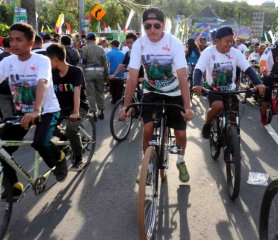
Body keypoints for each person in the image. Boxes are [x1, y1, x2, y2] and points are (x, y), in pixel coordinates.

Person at [119, 8, 193, 183]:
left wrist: (188, 107)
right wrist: (126, 105)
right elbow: (132, 76)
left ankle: (181, 161)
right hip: (151, 92)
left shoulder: (174, 43)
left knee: (181, 134)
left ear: (164, 25)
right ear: (143, 26)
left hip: (174, 93)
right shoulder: (139, 44)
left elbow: (182, 76)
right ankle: (149, 167)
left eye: (156, 26)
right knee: (147, 129)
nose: (152, 30)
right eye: (147, 26)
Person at [0, 23, 68, 199]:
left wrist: (37, 110)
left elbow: (42, 83)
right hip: (23, 113)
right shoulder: (8, 62)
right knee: (2, 148)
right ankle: (14, 185)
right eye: (11, 39)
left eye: (19, 40)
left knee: (39, 142)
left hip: (47, 111)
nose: (14, 43)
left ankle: (59, 158)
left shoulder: (42, 60)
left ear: (31, 42)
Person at [192, 27, 265, 138]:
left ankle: (233, 141)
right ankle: (207, 124)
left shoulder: (235, 53)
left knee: (232, 117)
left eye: (232, 41)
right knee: (218, 106)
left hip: (231, 89)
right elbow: (198, 69)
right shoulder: (208, 52)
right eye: (227, 41)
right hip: (214, 90)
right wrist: (196, 84)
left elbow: (248, 68)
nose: (230, 44)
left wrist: (258, 83)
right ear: (217, 41)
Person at [46, 44, 90, 171]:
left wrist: (76, 111)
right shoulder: (51, 73)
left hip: (79, 105)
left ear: (54, 59)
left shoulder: (76, 71)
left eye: (48, 59)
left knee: (71, 129)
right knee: (47, 126)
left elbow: (77, 91)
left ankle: (78, 158)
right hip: (60, 107)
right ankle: (66, 138)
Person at [80, 32, 108, 121]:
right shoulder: (101, 49)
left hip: (88, 73)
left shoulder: (84, 49)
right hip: (99, 73)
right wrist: (106, 75)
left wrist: (82, 75)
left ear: (87, 40)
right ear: (95, 39)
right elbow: (105, 64)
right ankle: (101, 110)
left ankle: (93, 112)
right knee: (100, 92)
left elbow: (82, 64)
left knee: (90, 94)